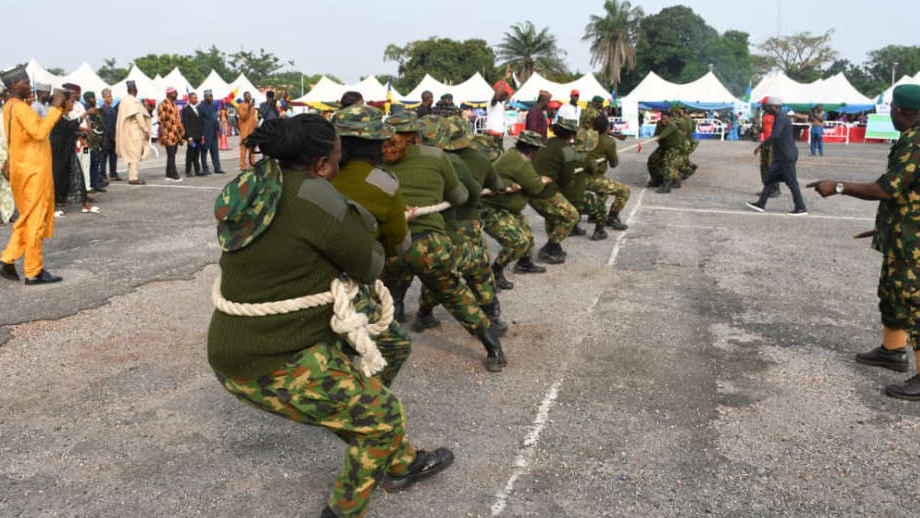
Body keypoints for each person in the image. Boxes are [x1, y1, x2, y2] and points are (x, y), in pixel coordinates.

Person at [208, 114, 453, 518]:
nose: (340, 168)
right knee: (385, 416)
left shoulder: (257, 184)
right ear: (322, 164)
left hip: (236, 345)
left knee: (393, 344)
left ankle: (398, 459)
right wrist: (365, 221)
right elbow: (371, 265)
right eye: (337, 161)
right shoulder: (319, 199)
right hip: (270, 360)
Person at [805, 85, 920, 400]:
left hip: (914, 240)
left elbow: (888, 189)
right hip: (905, 234)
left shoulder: (917, 142)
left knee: (915, 302)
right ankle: (892, 351)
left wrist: (838, 186)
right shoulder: (911, 139)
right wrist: (890, 227)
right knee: (893, 294)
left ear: (898, 110)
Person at [380, 110, 507, 372]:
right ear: (417, 135)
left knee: (382, 297)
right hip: (428, 247)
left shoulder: (376, 164)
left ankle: (379, 347)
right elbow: (461, 197)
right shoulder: (436, 156)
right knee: (459, 292)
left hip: (390, 247)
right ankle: (494, 348)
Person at [0, 66, 66, 285]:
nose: (30, 86)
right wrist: (55, 109)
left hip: (23, 169)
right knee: (35, 221)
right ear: (13, 85)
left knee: (27, 219)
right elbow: (39, 132)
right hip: (33, 171)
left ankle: (8, 259)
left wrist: (61, 109)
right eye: (25, 83)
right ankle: (33, 271)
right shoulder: (19, 108)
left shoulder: (10, 107)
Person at [481, 130, 549, 288]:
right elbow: (536, 187)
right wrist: (543, 180)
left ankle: (524, 263)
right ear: (532, 149)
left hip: (504, 206)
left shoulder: (514, 154)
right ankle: (495, 272)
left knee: (528, 235)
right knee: (517, 241)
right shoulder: (519, 161)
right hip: (491, 208)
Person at [530, 117, 582, 263]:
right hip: (545, 193)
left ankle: (555, 245)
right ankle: (550, 247)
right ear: (572, 134)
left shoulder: (546, 143)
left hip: (531, 189)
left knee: (552, 215)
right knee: (572, 216)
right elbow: (566, 180)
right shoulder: (568, 150)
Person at [745, 96, 808, 215]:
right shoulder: (779, 117)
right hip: (783, 155)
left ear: (775, 107)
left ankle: (801, 207)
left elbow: (775, 135)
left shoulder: (781, 118)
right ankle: (761, 203)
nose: (765, 108)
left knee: (792, 182)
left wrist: (762, 145)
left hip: (785, 156)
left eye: (767, 106)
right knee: (770, 179)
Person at [586, 114, 630, 230]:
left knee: (604, 191)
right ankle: (612, 218)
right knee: (624, 191)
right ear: (607, 128)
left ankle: (594, 214)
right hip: (593, 178)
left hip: (580, 177)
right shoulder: (608, 142)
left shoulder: (585, 137)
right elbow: (614, 164)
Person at [114, 80, 151, 185]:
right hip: (134, 132)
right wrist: (146, 130)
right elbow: (139, 117)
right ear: (135, 90)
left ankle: (132, 175)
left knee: (131, 155)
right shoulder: (133, 101)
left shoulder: (123, 101)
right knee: (135, 155)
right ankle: (133, 178)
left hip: (126, 132)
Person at [647, 109, 687, 193]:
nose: (663, 120)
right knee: (652, 160)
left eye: (665, 118)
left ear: (670, 118)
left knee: (667, 163)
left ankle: (667, 185)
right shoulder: (659, 123)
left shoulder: (672, 125)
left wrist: (659, 137)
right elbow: (656, 134)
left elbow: (664, 134)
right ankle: (656, 180)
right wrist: (656, 137)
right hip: (663, 146)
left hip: (675, 147)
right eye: (662, 118)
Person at [157, 87, 184, 182]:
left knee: (172, 154)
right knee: (171, 154)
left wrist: (180, 134)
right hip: (167, 134)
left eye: (176, 93)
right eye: (174, 93)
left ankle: (168, 174)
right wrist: (163, 135)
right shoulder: (162, 105)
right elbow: (160, 122)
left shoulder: (174, 105)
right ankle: (174, 174)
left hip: (175, 134)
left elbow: (177, 120)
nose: (176, 94)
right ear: (168, 94)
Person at [83, 91, 107, 193]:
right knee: (87, 164)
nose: (94, 99)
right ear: (87, 100)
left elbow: (100, 126)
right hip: (86, 143)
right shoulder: (85, 110)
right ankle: (88, 186)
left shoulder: (96, 112)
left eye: (94, 97)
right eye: (92, 98)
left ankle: (96, 183)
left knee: (96, 162)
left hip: (96, 143)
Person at [757, 98, 780, 198]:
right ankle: (767, 188)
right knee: (764, 166)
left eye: (762, 104)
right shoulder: (764, 115)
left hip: (773, 144)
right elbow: (765, 128)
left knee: (772, 167)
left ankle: (775, 189)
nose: (761, 106)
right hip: (765, 142)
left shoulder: (776, 115)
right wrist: (759, 130)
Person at [198, 90, 224, 175]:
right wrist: (201, 134)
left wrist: (218, 129)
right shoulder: (200, 107)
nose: (212, 98)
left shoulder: (212, 106)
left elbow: (215, 119)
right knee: (204, 151)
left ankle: (217, 168)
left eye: (212, 96)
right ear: (205, 97)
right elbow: (199, 122)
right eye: (210, 96)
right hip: (205, 133)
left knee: (215, 151)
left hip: (213, 133)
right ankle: (205, 169)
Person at [181, 92, 205, 177]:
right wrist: (189, 137)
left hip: (198, 137)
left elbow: (200, 123)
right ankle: (188, 171)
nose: (196, 99)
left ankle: (197, 170)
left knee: (196, 153)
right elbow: (186, 124)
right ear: (190, 99)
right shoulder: (186, 110)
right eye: (194, 98)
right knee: (190, 153)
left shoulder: (197, 109)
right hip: (192, 138)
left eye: (196, 97)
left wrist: (202, 136)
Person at [99, 88, 120, 182]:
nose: (111, 98)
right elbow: (104, 125)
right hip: (106, 138)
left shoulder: (112, 109)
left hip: (113, 137)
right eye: (109, 96)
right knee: (103, 157)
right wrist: (112, 136)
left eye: (111, 96)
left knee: (113, 157)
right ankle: (102, 175)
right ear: (104, 97)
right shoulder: (102, 110)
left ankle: (113, 174)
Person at [236, 91, 256, 169]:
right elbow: (243, 116)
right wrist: (249, 107)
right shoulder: (241, 106)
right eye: (247, 96)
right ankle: (242, 166)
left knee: (252, 150)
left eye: (250, 96)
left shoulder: (252, 107)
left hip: (252, 131)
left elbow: (253, 118)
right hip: (245, 131)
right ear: (244, 97)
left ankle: (252, 164)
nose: (249, 97)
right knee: (243, 150)